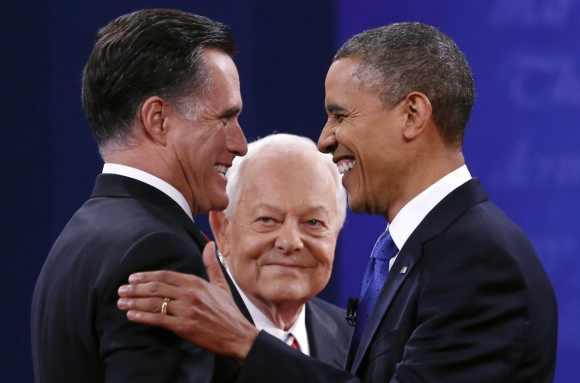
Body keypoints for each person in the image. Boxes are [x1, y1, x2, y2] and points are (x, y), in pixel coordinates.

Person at [117, 22, 558, 382]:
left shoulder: (477, 258)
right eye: (267, 219)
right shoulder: (421, 249)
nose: (325, 139)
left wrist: (244, 342)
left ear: (413, 115)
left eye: (341, 115)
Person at [31, 9, 248, 383]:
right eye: (225, 118)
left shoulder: (78, 238)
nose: (240, 144)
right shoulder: (158, 251)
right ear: (158, 120)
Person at [209, 133, 351, 367]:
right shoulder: (179, 340)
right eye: (267, 219)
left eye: (313, 222)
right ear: (222, 229)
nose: (290, 242)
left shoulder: (356, 342)